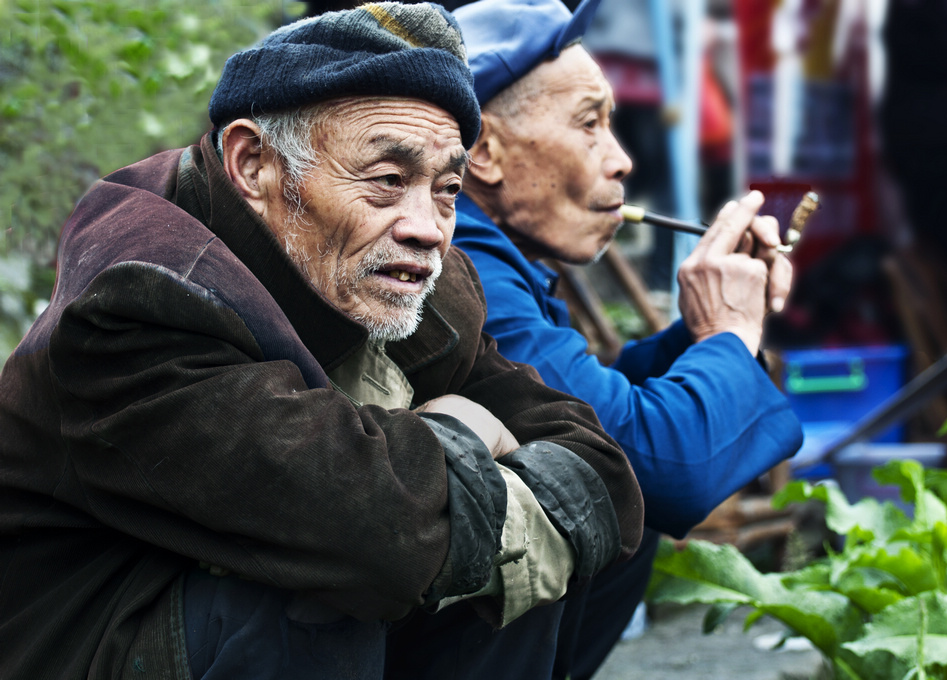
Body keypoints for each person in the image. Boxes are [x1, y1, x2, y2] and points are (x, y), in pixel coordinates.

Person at [0, 5, 644, 679]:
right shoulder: (142, 297)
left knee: (516, 575)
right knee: (326, 598)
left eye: (447, 190)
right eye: (388, 180)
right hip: (85, 642)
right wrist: (469, 433)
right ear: (253, 165)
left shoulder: (400, 272)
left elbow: (603, 477)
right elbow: (377, 536)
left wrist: (447, 465)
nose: (425, 226)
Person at [384, 0, 803, 678]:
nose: (620, 161)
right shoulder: (464, 267)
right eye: (590, 125)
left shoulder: (497, 256)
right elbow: (642, 461)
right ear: (484, 151)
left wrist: (709, 325)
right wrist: (727, 333)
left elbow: (599, 408)